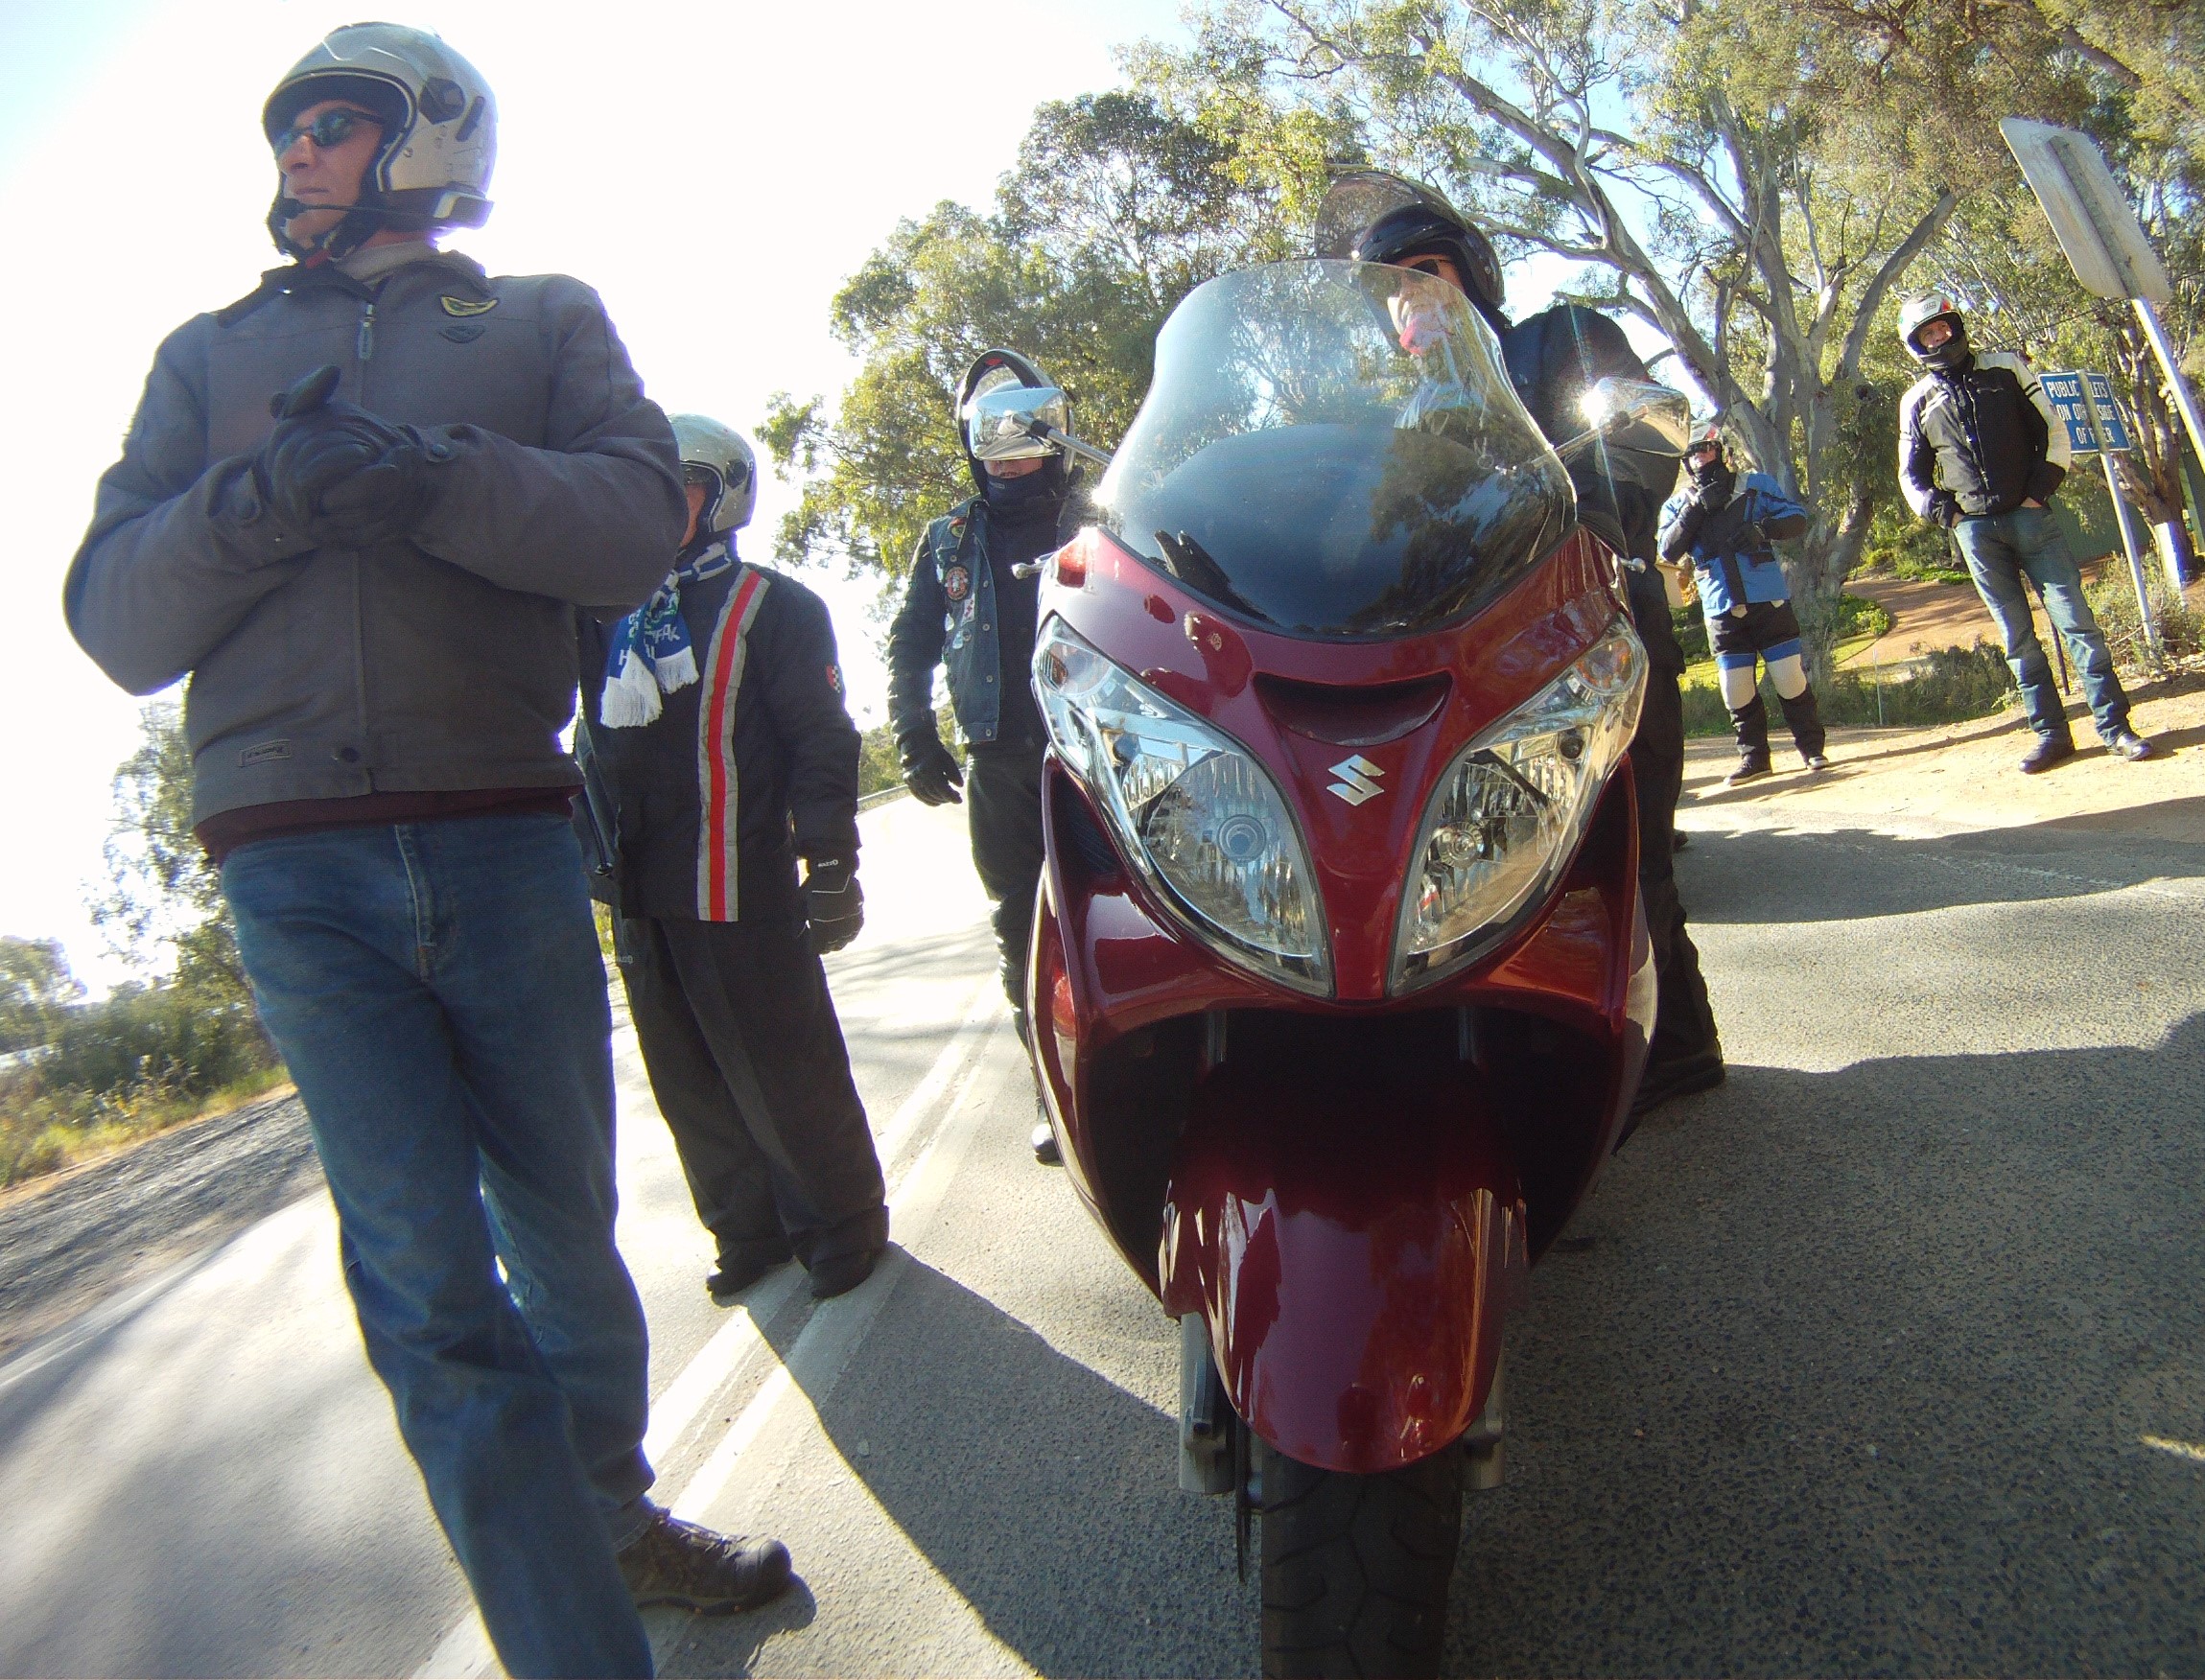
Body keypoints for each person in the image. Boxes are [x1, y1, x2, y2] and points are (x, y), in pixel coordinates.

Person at [62, 26, 786, 1676]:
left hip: (502, 835)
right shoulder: (205, 356)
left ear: (427, 137)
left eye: (333, 123)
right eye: (287, 130)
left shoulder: (537, 317)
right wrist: (262, 499)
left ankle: (612, 1518)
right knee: (427, 1290)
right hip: (290, 867)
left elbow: (631, 524)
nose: (296, 151)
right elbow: (113, 620)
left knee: (570, 1238)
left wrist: (422, 477)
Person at [1315, 171, 1723, 1120]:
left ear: (1471, 272)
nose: (1413, 299)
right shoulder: (1389, 418)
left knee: (1623, 849)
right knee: (1479, 861)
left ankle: (1670, 1047)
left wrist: (1589, 521)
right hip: (1469, 663)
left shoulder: (1557, 340)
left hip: (1590, 625)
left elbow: (1640, 447)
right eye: (1391, 292)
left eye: (1425, 273)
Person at [575, 416, 887, 1305]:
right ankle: (747, 1230)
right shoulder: (605, 618)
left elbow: (821, 741)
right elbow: (585, 747)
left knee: (783, 1068)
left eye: (676, 490)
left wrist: (830, 862)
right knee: (686, 1078)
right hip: (639, 892)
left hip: (736, 880)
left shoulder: (775, 606)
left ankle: (841, 1223)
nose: (657, 509)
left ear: (721, 498)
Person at [886, 349, 1074, 1164]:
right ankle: (1052, 1093)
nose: (1009, 452)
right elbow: (909, 644)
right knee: (1020, 928)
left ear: (1054, 431)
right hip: (997, 759)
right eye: (990, 437)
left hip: (1103, 748)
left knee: (1142, 911)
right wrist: (913, 734)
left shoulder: (1104, 515)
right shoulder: (947, 540)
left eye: (1023, 434)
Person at [1897, 293, 2157, 773]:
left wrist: (2039, 492)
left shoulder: (2006, 369)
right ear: (1917, 344)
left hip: (2031, 517)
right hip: (1976, 533)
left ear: (1957, 326)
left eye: (1943, 327)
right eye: (1928, 333)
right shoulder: (1916, 401)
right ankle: (2052, 736)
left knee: (2077, 623)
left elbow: (2054, 432)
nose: (1939, 337)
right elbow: (1910, 476)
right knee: (2017, 639)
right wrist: (1949, 516)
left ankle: (2115, 729)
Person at [1660, 426, 1831, 786]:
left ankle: (1811, 748)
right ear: (1685, 461)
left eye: (1706, 448)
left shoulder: (1755, 485)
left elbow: (1797, 517)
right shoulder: (1676, 504)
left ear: (1721, 450)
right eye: (1693, 452)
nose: (1700, 457)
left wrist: (1762, 530)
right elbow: (1668, 550)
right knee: (1735, 688)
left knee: (1789, 678)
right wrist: (1694, 508)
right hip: (1720, 607)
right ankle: (1754, 758)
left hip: (1768, 600)